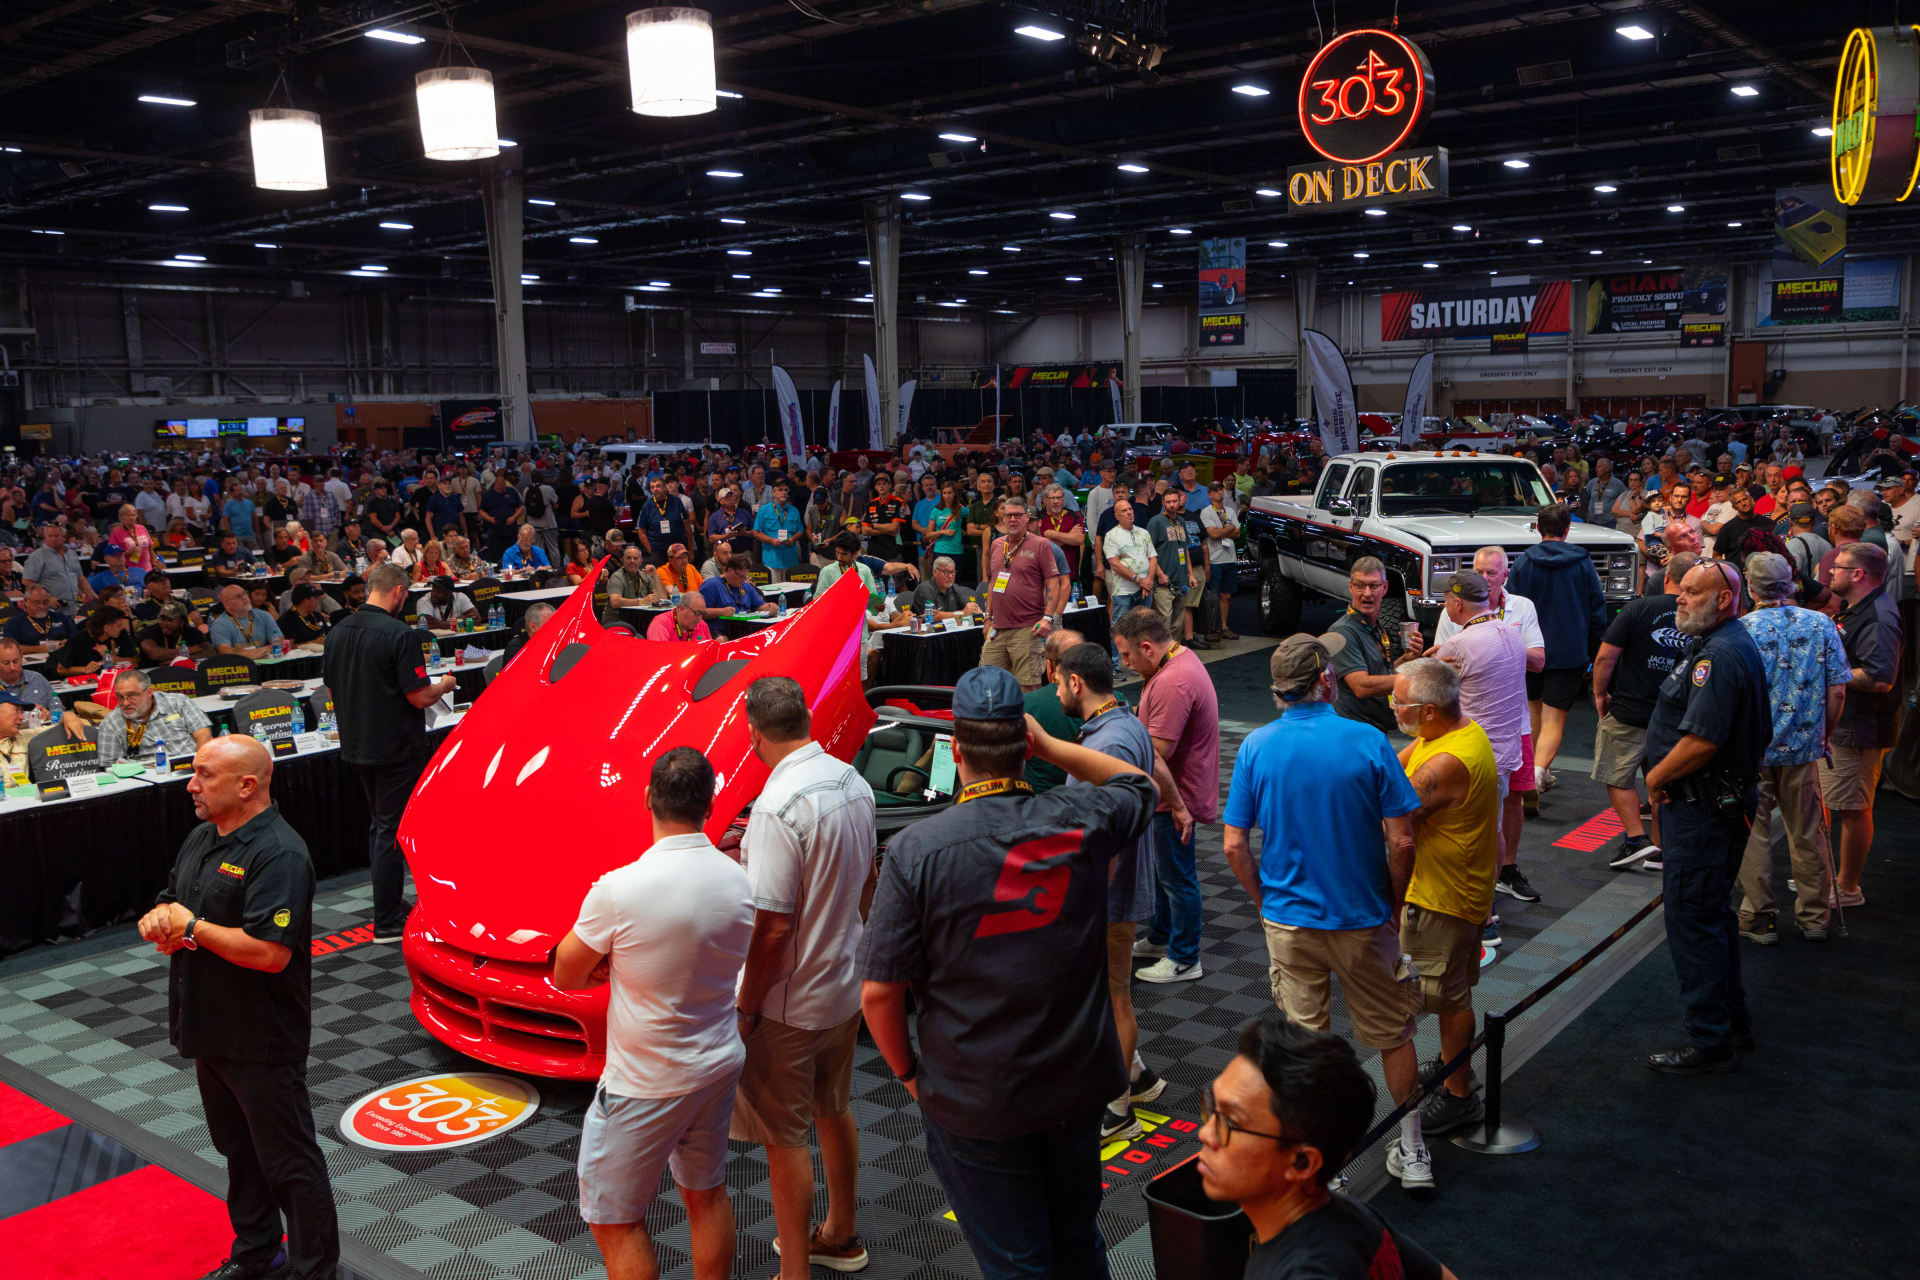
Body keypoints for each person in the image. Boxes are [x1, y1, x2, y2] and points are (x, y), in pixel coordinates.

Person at [859, 666, 1156, 1280]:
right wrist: (1050, 747)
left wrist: (910, 1074)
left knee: (1016, 1260)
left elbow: (879, 991)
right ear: (1025, 744)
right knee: (1078, 1240)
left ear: (957, 749)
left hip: (976, 1095)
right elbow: (1139, 784)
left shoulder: (917, 850)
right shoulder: (1081, 815)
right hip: (1074, 1082)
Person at [1221, 632, 1428, 1191]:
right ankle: (1411, 1147)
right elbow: (1402, 841)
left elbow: (1235, 845)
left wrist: (1266, 903)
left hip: (1290, 923)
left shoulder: (1256, 747)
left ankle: (1320, 1169)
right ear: (1327, 682)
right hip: (1365, 919)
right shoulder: (1366, 740)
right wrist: (1394, 901)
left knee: (1305, 1048)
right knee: (1394, 1035)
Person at [135, 736, 338, 1280]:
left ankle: (313, 1271)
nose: (191, 784)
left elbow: (271, 954)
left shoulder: (280, 853)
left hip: (262, 1038)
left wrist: (192, 929)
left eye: (204, 774)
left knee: (290, 1163)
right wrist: (161, 917)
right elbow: (173, 898)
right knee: (238, 1152)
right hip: (209, 1027)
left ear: (247, 785)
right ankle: (256, 1255)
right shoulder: (203, 836)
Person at [552, 748, 753, 1280]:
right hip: (717, 1063)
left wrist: (608, 962)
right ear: (711, 804)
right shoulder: (740, 881)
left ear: (647, 798)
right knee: (706, 1193)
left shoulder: (619, 889)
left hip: (644, 1081)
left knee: (616, 1222)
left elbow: (565, 973)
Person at [730, 678, 878, 1276]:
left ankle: (795, 1270)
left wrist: (746, 1002)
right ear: (807, 717)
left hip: (788, 1002)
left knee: (783, 1136)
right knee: (833, 1109)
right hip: (843, 984)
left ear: (753, 732)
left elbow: (769, 927)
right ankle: (841, 1233)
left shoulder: (774, 807)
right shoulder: (855, 781)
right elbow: (867, 881)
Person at [1199, 1018, 1455, 1279]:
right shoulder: (1354, 1215)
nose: (1205, 1134)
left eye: (1230, 1122)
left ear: (1302, 1162)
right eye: (1211, 1108)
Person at [1641, 560, 1771, 1074]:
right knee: (1710, 917)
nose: (1679, 598)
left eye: (1692, 593)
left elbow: (1702, 741)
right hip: (1707, 803)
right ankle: (1729, 1022)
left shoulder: (1718, 654)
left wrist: (1655, 779)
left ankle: (1709, 1037)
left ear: (1723, 599)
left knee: (1694, 919)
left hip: (1702, 806)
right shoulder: (1715, 644)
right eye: (1680, 590)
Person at [1054, 642, 1179, 1142]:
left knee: (1115, 997)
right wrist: (1180, 804)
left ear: (1076, 683)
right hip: (1118, 886)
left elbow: (1100, 837)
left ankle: (1118, 1109)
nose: (1057, 690)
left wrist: (1085, 896)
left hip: (1108, 893)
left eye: (1060, 682)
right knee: (1110, 992)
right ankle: (1139, 1076)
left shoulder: (1107, 744)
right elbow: (1151, 775)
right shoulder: (1124, 724)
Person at [1393, 658, 1499, 1138]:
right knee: (1452, 990)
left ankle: (1458, 1095)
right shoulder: (1447, 732)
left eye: (1400, 704)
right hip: (1451, 890)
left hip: (1442, 900)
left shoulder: (1448, 762)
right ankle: (1455, 1068)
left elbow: (1394, 815)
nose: (1394, 708)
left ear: (1430, 710)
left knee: (1445, 998)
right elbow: (1395, 767)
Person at [323, 564, 457, 942]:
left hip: (355, 746)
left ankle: (389, 902)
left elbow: (331, 693)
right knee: (390, 830)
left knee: (381, 825)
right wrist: (444, 684)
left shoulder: (337, 633)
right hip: (395, 748)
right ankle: (386, 920)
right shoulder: (401, 635)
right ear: (399, 592)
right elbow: (419, 696)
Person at [1733, 553, 1849, 945]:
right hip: (1803, 748)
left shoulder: (1741, 629)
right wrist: (1824, 735)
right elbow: (1837, 690)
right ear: (1793, 583)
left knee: (1753, 833)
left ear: (1750, 587)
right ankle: (1816, 919)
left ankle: (1760, 917)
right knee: (1809, 833)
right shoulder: (1821, 624)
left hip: (1753, 751)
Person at [1115, 606, 1218, 985]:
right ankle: (1162, 938)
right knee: (1164, 873)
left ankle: (1185, 957)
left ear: (1147, 647)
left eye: (1126, 655)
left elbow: (1156, 751)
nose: (1124, 663)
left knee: (1177, 877)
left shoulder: (1173, 681)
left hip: (1176, 796)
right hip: (1170, 793)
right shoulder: (1174, 663)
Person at [1431, 569, 1533, 935]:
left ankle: (1482, 916)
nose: (1445, 606)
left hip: (1471, 754)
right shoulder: (1511, 633)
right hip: (1504, 751)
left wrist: (1428, 660)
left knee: (1468, 834)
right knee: (1493, 829)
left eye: (1446, 601)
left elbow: (1426, 693)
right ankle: (1485, 906)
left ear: (1456, 604)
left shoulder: (1458, 644)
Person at [1592, 553, 1696, 870]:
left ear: (1666, 578)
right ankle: (1660, 851)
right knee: (1663, 783)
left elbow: (1605, 658)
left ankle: (1637, 840)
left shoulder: (1638, 608)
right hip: (1676, 716)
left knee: (1617, 774)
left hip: (1630, 710)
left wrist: (1599, 694)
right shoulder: (1699, 615)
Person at [1822, 540, 1901, 908]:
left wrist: (1827, 671)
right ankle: (1826, 878)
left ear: (1857, 574)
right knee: (1840, 803)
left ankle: (1848, 888)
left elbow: (1880, 677)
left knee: (1854, 808)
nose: (1830, 571)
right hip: (1846, 724)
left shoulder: (1879, 617)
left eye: (1837, 567)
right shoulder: (1856, 608)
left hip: (1862, 728)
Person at [1508, 504, 1606, 793]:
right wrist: (1594, 652)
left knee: (1532, 711)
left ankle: (1534, 773)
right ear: (1567, 529)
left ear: (1539, 528)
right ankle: (1539, 773)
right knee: (1554, 717)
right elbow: (1596, 611)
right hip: (1569, 652)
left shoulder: (1523, 563)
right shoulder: (1582, 562)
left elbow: (1510, 608)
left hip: (1528, 651)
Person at [1329, 557, 1425, 736]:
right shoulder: (1342, 632)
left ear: (1385, 588)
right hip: (1353, 734)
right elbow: (1361, 686)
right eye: (1360, 586)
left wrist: (1407, 659)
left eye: (1374, 586)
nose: (1367, 593)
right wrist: (1417, 679)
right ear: (1351, 587)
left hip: (1373, 731)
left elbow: (1379, 674)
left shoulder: (1374, 625)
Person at [981, 497, 1065, 690]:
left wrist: (1047, 618)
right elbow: (994, 583)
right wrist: (988, 617)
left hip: (1027, 629)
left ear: (1027, 518)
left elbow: (1053, 582)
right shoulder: (996, 545)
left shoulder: (1040, 545)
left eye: (1017, 515)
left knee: (1028, 690)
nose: (1012, 519)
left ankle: (1027, 722)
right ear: (1002, 517)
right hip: (997, 629)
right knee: (988, 685)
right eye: (1008, 515)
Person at [94, 667, 213, 766]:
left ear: (149, 692)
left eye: (132, 695)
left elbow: (204, 736)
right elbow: (109, 766)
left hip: (193, 765)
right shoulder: (111, 723)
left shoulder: (178, 702)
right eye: (120, 697)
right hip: (150, 777)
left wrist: (199, 766)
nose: (125, 703)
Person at [1146, 488, 1209, 650]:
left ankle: (1173, 652)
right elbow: (1149, 551)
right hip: (1163, 581)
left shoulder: (1181, 521)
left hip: (1181, 579)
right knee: (1164, 620)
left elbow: (1185, 549)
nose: (1172, 505)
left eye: (1175, 501)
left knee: (1178, 621)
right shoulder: (1156, 522)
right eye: (1168, 502)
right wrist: (1159, 573)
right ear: (1163, 503)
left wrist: (1190, 574)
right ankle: (1162, 654)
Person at [1102, 498, 1158, 668]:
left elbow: (1153, 558)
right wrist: (1139, 580)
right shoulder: (1112, 535)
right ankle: (1115, 666)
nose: (1129, 512)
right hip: (1124, 591)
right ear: (1117, 515)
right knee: (1120, 629)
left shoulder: (1143, 532)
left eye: (1130, 509)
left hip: (1144, 589)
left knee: (1142, 628)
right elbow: (1115, 564)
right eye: (1124, 511)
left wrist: (1148, 581)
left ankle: (1139, 663)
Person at [1199, 480, 1240, 642]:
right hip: (1215, 559)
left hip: (1229, 558)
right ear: (1209, 494)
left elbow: (1237, 534)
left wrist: (1223, 531)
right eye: (1215, 491)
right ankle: (1212, 628)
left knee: (1227, 595)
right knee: (1213, 596)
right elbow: (1212, 534)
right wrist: (1229, 528)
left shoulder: (1230, 511)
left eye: (1221, 490)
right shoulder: (1206, 512)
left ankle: (1223, 626)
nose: (1219, 493)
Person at [24, 523, 93, 613]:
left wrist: (93, 596)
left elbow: (80, 578)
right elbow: (27, 581)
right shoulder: (36, 556)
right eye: (49, 536)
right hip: (50, 608)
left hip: (72, 606)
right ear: (45, 537)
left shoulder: (72, 554)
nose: (53, 539)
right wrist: (48, 598)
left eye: (56, 536)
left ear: (64, 537)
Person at [813, 531, 883, 611]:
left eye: (844, 554)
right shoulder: (827, 571)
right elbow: (817, 601)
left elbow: (872, 599)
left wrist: (877, 608)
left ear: (855, 553)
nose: (839, 557)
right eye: (837, 552)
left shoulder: (864, 570)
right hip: (836, 619)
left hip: (860, 620)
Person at [56, 605, 136, 675]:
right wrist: (84, 669)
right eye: (119, 625)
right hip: (88, 683)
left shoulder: (121, 634)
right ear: (106, 628)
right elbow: (61, 669)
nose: (122, 628)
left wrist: (112, 658)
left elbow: (135, 662)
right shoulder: (78, 639)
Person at [209, 583, 283, 659]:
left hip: (266, 663)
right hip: (240, 667)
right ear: (227, 605)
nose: (244, 597)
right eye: (238, 596)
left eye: (244, 593)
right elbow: (225, 652)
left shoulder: (264, 615)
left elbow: (280, 641)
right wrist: (253, 653)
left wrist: (261, 651)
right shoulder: (220, 624)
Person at [753, 477, 805, 582]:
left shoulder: (794, 511)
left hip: (790, 559)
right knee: (774, 591)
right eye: (780, 490)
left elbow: (800, 531)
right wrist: (771, 540)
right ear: (773, 492)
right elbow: (756, 532)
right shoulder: (764, 510)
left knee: (791, 592)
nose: (784, 493)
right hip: (772, 560)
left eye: (786, 490)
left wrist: (793, 539)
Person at [906, 555, 980, 622]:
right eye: (946, 572)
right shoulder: (924, 590)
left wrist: (975, 609)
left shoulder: (954, 587)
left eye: (953, 572)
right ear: (935, 572)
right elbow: (932, 616)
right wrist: (962, 613)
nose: (951, 576)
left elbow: (970, 606)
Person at [698, 559, 776, 619]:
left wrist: (770, 607)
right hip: (720, 629)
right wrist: (721, 611)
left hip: (743, 627)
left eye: (745, 577)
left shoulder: (746, 586)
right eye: (740, 576)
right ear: (729, 570)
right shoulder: (711, 585)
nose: (743, 580)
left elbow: (759, 605)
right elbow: (699, 612)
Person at [476, 471, 524, 557]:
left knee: (513, 553)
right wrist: (489, 518)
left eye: (503, 489)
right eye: (499, 489)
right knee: (496, 555)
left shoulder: (511, 491)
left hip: (511, 530)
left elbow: (521, 508)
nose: (501, 491)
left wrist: (514, 517)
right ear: (494, 486)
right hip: (495, 531)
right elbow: (481, 511)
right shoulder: (488, 495)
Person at [645, 594, 711, 642]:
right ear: (682, 608)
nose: (699, 618)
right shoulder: (660, 624)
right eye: (697, 613)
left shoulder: (702, 625)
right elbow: (660, 654)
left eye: (702, 613)